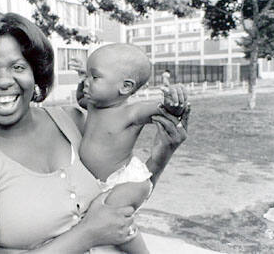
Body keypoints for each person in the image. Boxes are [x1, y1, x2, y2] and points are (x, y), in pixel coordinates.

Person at [0, 6, 190, 253]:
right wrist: (87, 233)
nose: (4, 81)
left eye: (18, 67)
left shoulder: (73, 123)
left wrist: (160, 155)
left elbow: (124, 196)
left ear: (35, 73)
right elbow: (98, 227)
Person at [70, 44, 187, 254]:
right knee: (101, 221)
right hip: (101, 183)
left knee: (117, 221)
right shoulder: (94, 105)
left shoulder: (130, 113)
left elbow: (161, 110)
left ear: (125, 87)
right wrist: (85, 80)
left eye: (94, 77)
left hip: (125, 181)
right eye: (86, 75)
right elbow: (80, 99)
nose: (86, 82)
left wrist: (173, 104)